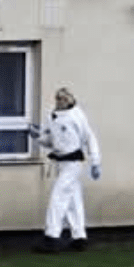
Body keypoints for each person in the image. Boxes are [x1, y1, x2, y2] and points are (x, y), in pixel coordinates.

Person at [32, 86, 101, 252]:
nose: (59, 101)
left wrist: (95, 161)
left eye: (63, 98)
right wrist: (38, 137)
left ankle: (51, 236)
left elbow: (89, 137)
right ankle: (79, 237)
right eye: (57, 98)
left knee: (58, 196)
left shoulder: (76, 115)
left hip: (73, 162)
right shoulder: (52, 116)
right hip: (60, 162)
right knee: (73, 201)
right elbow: (51, 141)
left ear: (69, 100)